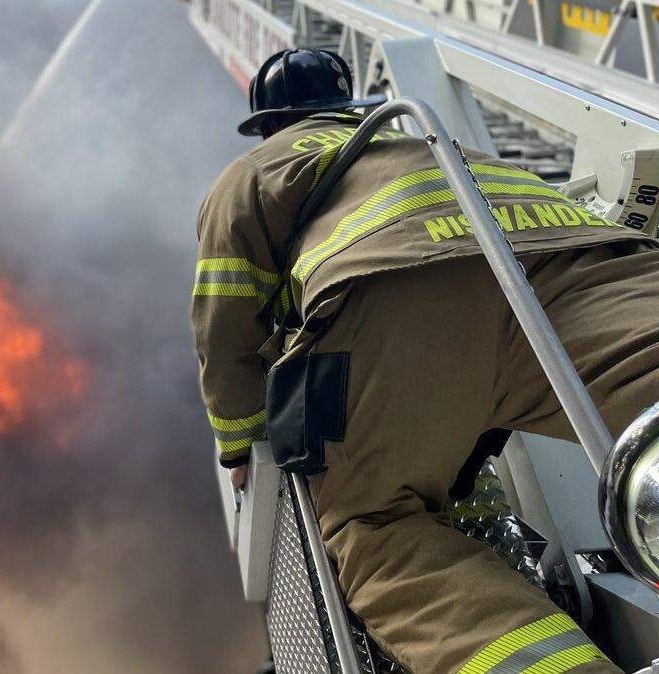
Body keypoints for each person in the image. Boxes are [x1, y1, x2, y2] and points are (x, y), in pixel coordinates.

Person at [191, 48, 659, 673]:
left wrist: (239, 447)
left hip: (397, 297)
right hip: (573, 261)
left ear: (272, 123)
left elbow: (223, 328)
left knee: (376, 528)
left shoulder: (254, 172)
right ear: (347, 109)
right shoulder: (427, 142)